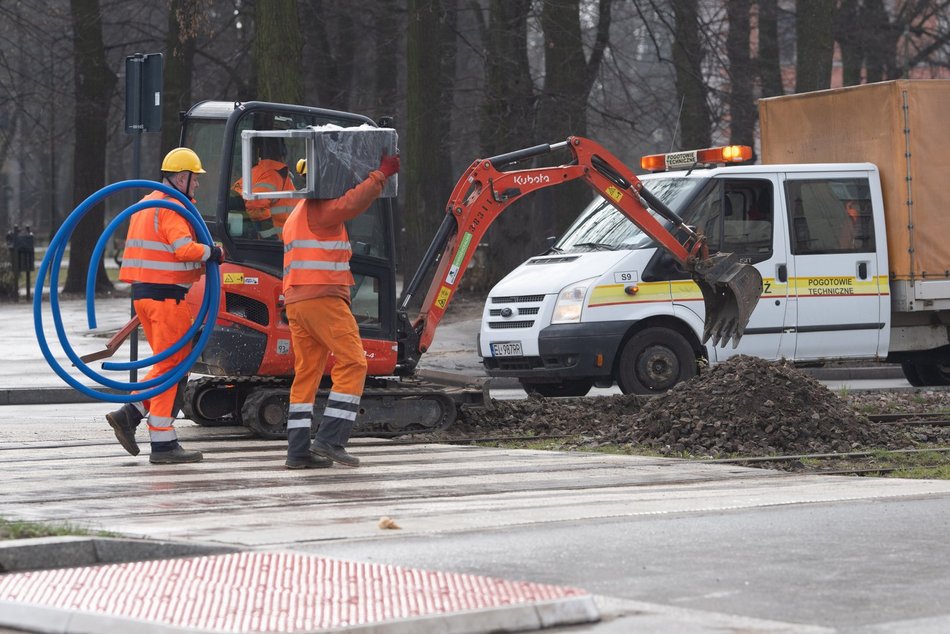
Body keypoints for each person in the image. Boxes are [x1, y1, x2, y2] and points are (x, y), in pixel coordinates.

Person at [105, 147, 223, 465]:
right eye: (194, 179)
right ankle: (162, 442)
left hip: (146, 297)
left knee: (171, 364)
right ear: (181, 178)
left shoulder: (148, 204)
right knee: (171, 368)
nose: (197, 185)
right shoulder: (171, 207)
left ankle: (130, 414)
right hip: (166, 299)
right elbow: (183, 249)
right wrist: (212, 252)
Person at [282, 152, 399, 469]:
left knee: (307, 373)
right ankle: (330, 440)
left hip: (297, 300)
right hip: (323, 298)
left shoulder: (297, 213)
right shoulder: (319, 209)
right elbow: (353, 203)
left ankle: (298, 452)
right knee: (353, 361)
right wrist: (380, 175)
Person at [232, 137, 297, 239]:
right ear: (283, 153)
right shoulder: (273, 173)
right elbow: (256, 204)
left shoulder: (257, 172)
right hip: (273, 248)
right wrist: (270, 238)